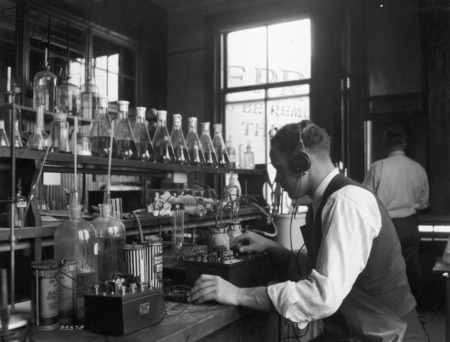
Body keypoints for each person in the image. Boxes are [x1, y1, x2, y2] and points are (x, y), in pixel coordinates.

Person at [187, 120, 426, 341]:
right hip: (360, 329)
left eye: (279, 168)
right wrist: (274, 248)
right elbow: (324, 268)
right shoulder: (325, 200)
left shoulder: (345, 203)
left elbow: (322, 295)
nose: (277, 179)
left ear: (301, 164)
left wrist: (237, 294)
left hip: (388, 335)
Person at [363, 126, 429, 294]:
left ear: (386, 143)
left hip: (385, 225)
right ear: (404, 143)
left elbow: (366, 198)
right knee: (410, 271)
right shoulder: (418, 168)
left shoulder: (378, 167)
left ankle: (389, 315)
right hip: (409, 225)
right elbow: (423, 203)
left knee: (385, 272)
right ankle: (411, 314)